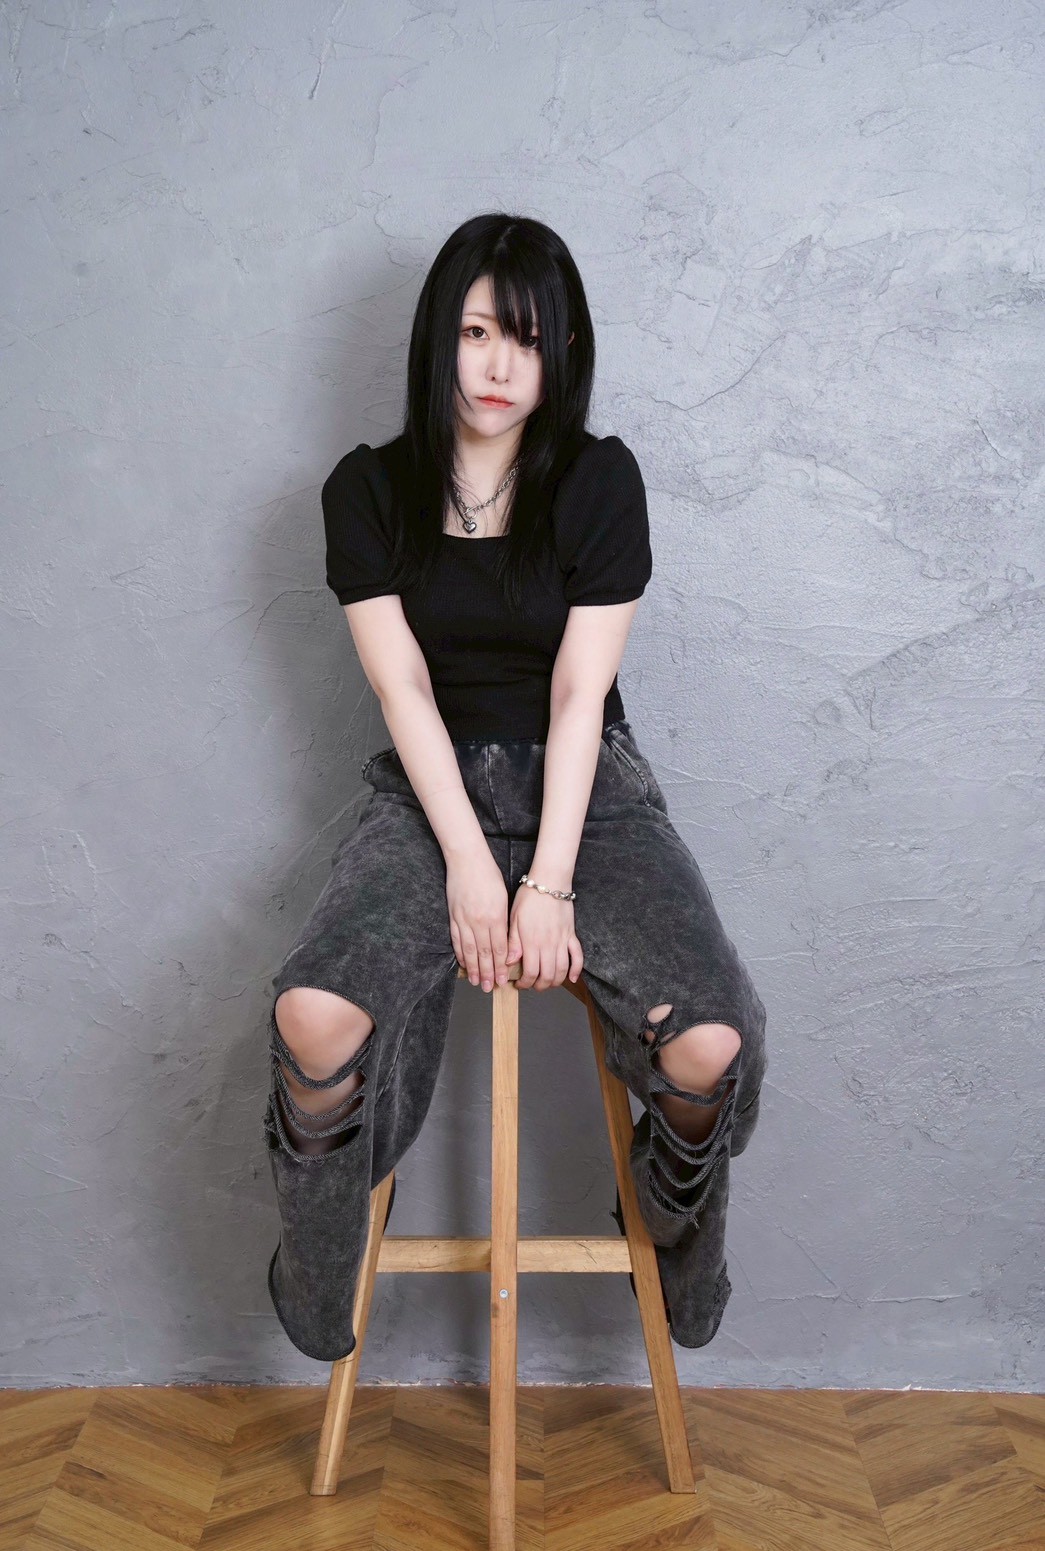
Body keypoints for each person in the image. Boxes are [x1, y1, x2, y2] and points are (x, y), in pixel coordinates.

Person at [262, 212, 768, 1362]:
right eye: (478, 331)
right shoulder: (367, 490)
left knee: (710, 1041)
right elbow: (402, 689)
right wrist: (462, 863)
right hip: (429, 787)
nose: (499, 365)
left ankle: (672, 1244)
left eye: (528, 340)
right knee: (312, 1017)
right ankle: (318, 1269)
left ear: (562, 353)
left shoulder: (598, 481)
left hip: (585, 791)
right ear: (439, 335)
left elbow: (580, 694)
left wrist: (543, 882)